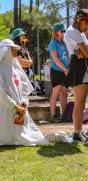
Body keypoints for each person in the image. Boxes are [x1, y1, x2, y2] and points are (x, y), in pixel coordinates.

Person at [0, 39, 49, 146]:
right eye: (14, 49)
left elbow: (24, 87)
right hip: (5, 108)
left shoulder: (16, 68)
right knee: (3, 138)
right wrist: (15, 107)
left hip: (21, 108)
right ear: (6, 51)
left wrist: (24, 104)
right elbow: (1, 92)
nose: (17, 51)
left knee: (24, 134)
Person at [64, 9, 88, 142]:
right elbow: (86, 52)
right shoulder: (73, 31)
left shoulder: (79, 33)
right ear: (80, 20)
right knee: (79, 102)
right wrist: (83, 52)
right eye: (86, 22)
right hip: (78, 66)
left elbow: (85, 51)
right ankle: (77, 132)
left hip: (83, 65)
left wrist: (83, 52)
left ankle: (79, 131)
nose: (87, 25)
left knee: (83, 102)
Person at [48, 23, 69, 122]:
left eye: (64, 31)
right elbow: (55, 59)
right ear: (56, 32)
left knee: (64, 93)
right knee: (55, 93)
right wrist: (65, 69)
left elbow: (67, 57)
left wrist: (68, 68)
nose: (63, 33)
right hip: (57, 71)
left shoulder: (63, 42)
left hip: (65, 70)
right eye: (62, 31)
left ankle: (64, 116)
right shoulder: (53, 43)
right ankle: (53, 116)